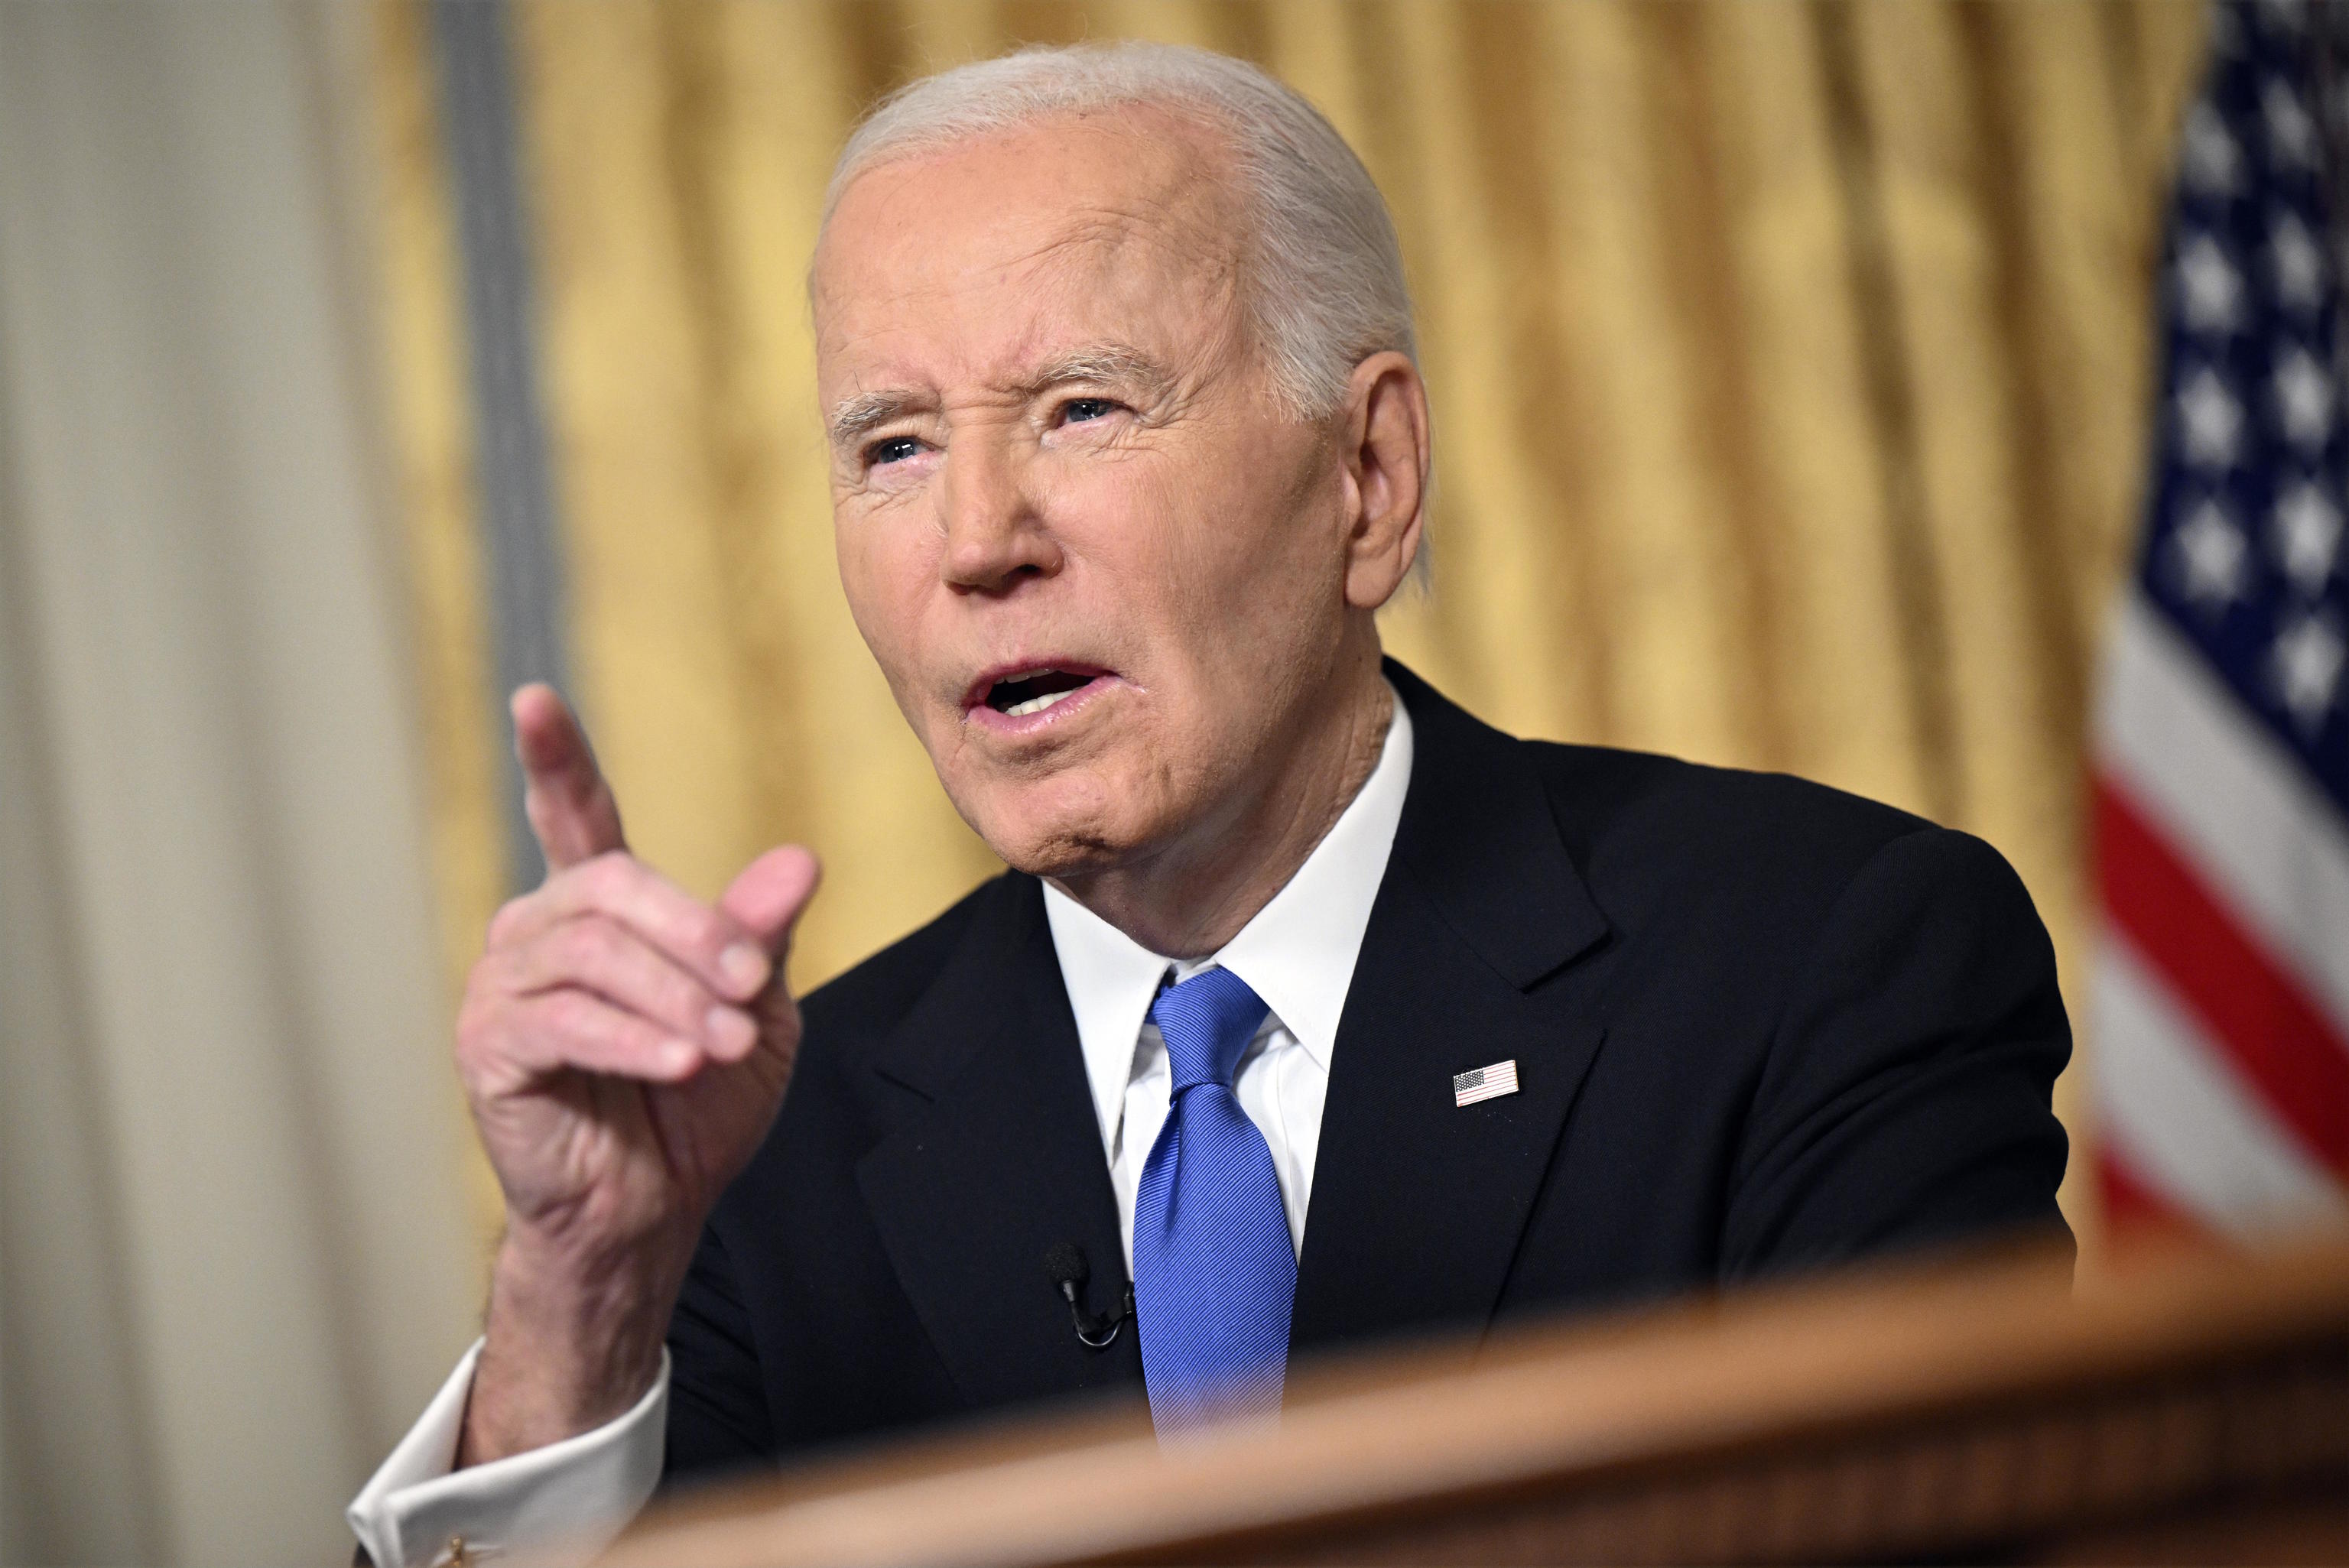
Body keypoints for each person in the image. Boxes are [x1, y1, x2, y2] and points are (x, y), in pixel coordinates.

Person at [348, 40, 2071, 1568]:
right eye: (892, 447)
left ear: (1368, 475)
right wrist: (572, 1301)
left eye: (1084, 408)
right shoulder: (748, 1163)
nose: (976, 542)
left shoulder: (1820, 961)